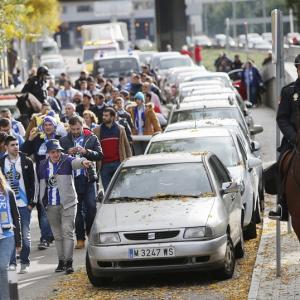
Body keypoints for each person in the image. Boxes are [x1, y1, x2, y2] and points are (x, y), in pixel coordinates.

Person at [37, 139, 93, 274]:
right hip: (51, 205)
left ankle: (69, 262)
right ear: (48, 153)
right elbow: (38, 185)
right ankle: (61, 261)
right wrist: (39, 201)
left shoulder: (67, 160)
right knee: (57, 235)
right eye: (53, 152)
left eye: (58, 151)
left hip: (68, 203)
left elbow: (76, 162)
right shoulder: (42, 165)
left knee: (67, 232)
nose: (56, 154)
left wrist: (83, 162)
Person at [60, 116, 103, 249]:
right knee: (77, 211)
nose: (75, 131)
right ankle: (79, 238)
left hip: (88, 178)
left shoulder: (92, 137)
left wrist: (86, 152)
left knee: (91, 207)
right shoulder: (63, 140)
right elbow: (57, 158)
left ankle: (90, 232)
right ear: (69, 128)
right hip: (72, 180)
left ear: (82, 125)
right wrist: (67, 153)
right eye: (73, 129)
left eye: (78, 128)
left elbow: (100, 155)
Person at [22, 116, 61, 249]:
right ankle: (45, 238)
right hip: (42, 179)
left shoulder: (61, 139)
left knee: (58, 208)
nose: (48, 127)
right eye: (46, 125)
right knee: (43, 209)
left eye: (50, 124)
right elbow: (23, 152)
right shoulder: (38, 140)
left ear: (54, 126)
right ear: (42, 127)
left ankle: (54, 234)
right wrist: (30, 140)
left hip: (59, 177)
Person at [269, 54, 300, 221]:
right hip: (294, 140)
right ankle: (283, 205)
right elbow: (282, 118)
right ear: (297, 69)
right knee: (282, 162)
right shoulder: (289, 92)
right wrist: (294, 137)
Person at [0, 136, 35, 274]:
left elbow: (34, 183)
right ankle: (12, 262)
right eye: (12, 145)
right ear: (6, 147)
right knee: (10, 233)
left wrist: (32, 202)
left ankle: (25, 262)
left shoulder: (26, 161)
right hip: (8, 205)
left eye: (17, 144)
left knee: (25, 235)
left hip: (25, 203)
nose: (16, 147)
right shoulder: (2, 162)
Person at [93, 108, 132, 190]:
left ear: (113, 117)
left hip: (118, 163)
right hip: (104, 166)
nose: (103, 117)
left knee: (121, 189)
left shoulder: (120, 129)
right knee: (107, 191)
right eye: (103, 115)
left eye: (106, 115)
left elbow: (127, 146)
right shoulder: (97, 130)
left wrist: (129, 162)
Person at [0, 170, 21, 300]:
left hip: (7, 235)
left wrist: (19, 241)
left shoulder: (8, 192)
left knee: (3, 267)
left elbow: (15, 216)